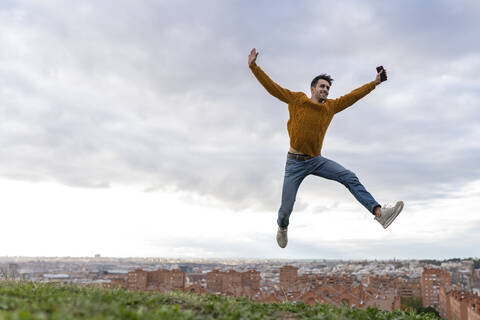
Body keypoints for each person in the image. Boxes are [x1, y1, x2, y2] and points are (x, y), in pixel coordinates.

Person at [248, 48, 404, 248]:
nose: (325, 90)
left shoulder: (330, 107)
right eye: (322, 86)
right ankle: (282, 227)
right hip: (294, 163)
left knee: (349, 176)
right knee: (286, 208)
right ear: (312, 88)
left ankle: (380, 213)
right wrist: (254, 67)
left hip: (315, 160)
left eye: (328, 88)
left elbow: (353, 96)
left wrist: (375, 83)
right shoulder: (297, 100)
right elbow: (272, 87)